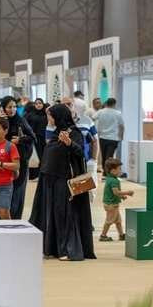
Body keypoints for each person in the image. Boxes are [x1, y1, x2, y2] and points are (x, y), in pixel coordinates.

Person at [29, 104, 96, 261]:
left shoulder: (74, 132)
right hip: (51, 179)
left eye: (50, 115)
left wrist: (69, 144)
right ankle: (53, 247)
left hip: (65, 180)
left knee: (64, 213)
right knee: (52, 213)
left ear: (58, 116)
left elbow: (80, 153)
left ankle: (66, 248)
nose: (48, 118)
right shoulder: (57, 132)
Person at [0, 96, 36, 220]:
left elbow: (32, 137)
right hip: (1, 163)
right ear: (3, 108)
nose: (12, 109)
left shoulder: (21, 121)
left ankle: (14, 219)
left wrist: (20, 140)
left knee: (17, 192)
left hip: (19, 162)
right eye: (9, 107)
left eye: (14, 107)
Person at [63, 95, 99, 203]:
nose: (67, 107)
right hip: (66, 165)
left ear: (74, 105)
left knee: (87, 194)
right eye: (64, 105)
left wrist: (94, 160)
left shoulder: (86, 120)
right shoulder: (58, 122)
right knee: (69, 195)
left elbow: (95, 140)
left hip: (85, 162)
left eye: (69, 104)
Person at [99, 158, 134, 242]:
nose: (120, 171)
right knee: (109, 221)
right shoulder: (114, 181)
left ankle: (121, 235)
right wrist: (127, 193)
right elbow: (116, 192)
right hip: (112, 205)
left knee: (118, 221)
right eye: (119, 169)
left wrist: (121, 197)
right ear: (113, 170)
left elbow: (114, 192)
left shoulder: (109, 179)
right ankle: (103, 235)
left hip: (112, 204)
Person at [95, 98, 124, 176]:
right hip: (113, 138)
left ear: (106, 103)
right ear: (114, 104)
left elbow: (93, 118)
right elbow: (122, 126)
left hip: (102, 137)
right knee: (109, 156)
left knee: (104, 156)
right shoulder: (117, 113)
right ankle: (107, 173)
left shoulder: (101, 112)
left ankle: (105, 172)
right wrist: (121, 136)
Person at [25, 98, 48, 179]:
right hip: (34, 138)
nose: (38, 105)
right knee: (34, 156)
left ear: (43, 104)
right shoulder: (30, 115)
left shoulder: (46, 114)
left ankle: (42, 174)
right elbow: (26, 126)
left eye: (40, 103)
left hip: (44, 138)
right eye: (36, 103)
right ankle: (33, 175)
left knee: (43, 156)